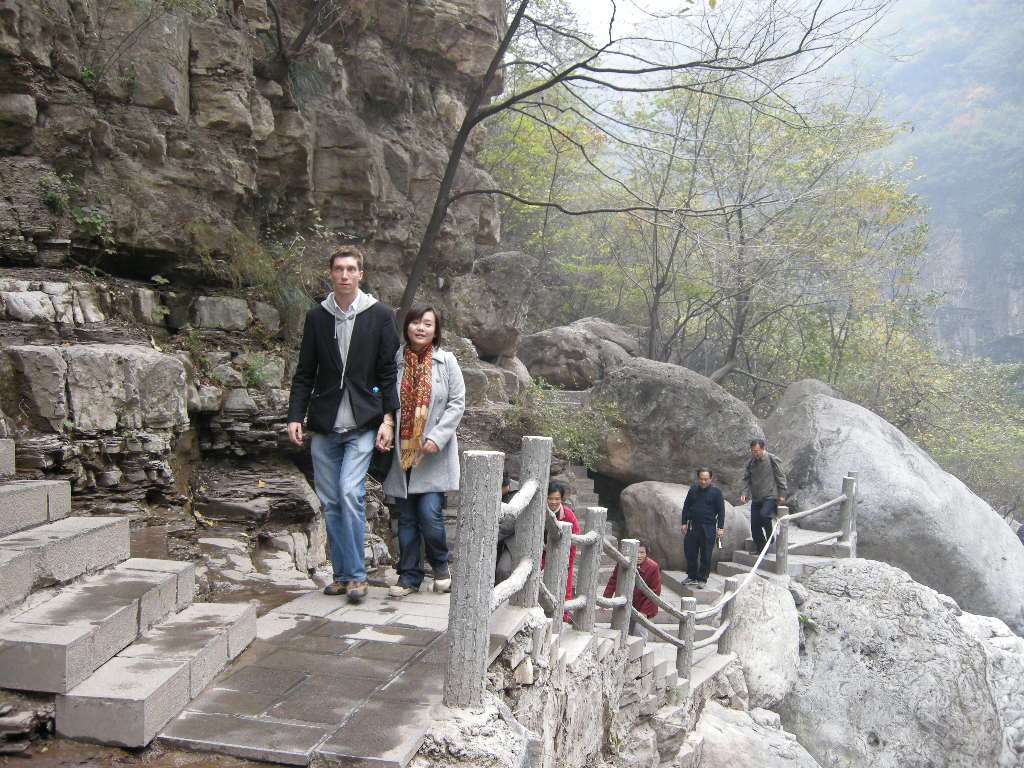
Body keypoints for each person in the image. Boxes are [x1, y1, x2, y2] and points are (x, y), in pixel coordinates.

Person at [287, 245, 400, 604]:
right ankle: (342, 575)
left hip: (365, 422)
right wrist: (295, 415)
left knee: (351, 493)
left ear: (360, 275)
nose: (345, 275)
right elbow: (306, 372)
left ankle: (356, 577)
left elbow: (387, 372)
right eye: (339, 269)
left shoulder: (380, 315)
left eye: (351, 269)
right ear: (331, 274)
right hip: (324, 423)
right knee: (332, 500)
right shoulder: (317, 317)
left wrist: (388, 419)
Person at [383, 306, 466, 597]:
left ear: (435, 330)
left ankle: (441, 567)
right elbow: (386, 397)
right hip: (402, 450)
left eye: (427, 324)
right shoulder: (396, 360)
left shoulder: (447, 362)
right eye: (416, 322)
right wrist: (387, 424)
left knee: (430, 515)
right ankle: (408, 577)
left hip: (432, 453)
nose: (420, 328)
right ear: (407, 326)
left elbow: (457, 403)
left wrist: (437, 437)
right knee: (405, 519)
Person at [602, 540, 662, 638]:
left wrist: (644, 611)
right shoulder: (623, 562)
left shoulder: (653, 567)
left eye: (642, 552)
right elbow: (614, 581)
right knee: (622, 631)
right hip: (625, 603)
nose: (639, 555)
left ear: (647, 553)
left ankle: (639, 652)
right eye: (637, 552)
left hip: (644, 606)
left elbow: (655, 591)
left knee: (639, 632)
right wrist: (606, 599)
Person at [739, 438, 788, 554]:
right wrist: (744, 493)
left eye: (757, 451)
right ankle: (761, 548)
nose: (755, 453)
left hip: (770, 496)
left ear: (763, 449)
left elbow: (781, 477)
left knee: (765, 515)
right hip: (756, 497)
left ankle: (771, 535)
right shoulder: (751, 462)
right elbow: (746, 479)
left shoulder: (772, 459)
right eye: (753, 451)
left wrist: (782, 494)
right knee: (754, 526)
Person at [681, 468, 725, 588]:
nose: (703, 482)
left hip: (708, 526)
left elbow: (721, 511)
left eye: (706, 479)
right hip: (693, 525)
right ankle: (692, 576)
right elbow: (686, 506)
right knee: (690, 551)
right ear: (698, 478)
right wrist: (684, 522)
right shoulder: (693, 489)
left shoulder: (716, 493)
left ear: (711, 479)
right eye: (701, 479)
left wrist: (720, 527)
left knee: (706, 553)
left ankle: (702, 578)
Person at [544, 482, 580, 615]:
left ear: (562, 499)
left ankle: (562, 620)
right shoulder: (540, 511)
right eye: (550, 498)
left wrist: (568, 564)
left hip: (563, 559)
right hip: (542, 557)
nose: (553, 502)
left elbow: (574, 540)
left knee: (564, 590)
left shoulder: (568, 515)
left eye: (557, 499)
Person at [495, 471, 516, 584]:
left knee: (503, 570)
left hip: (512, 541)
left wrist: (490, 537)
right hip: (496, 537)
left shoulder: (517, 495)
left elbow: (509, 525)